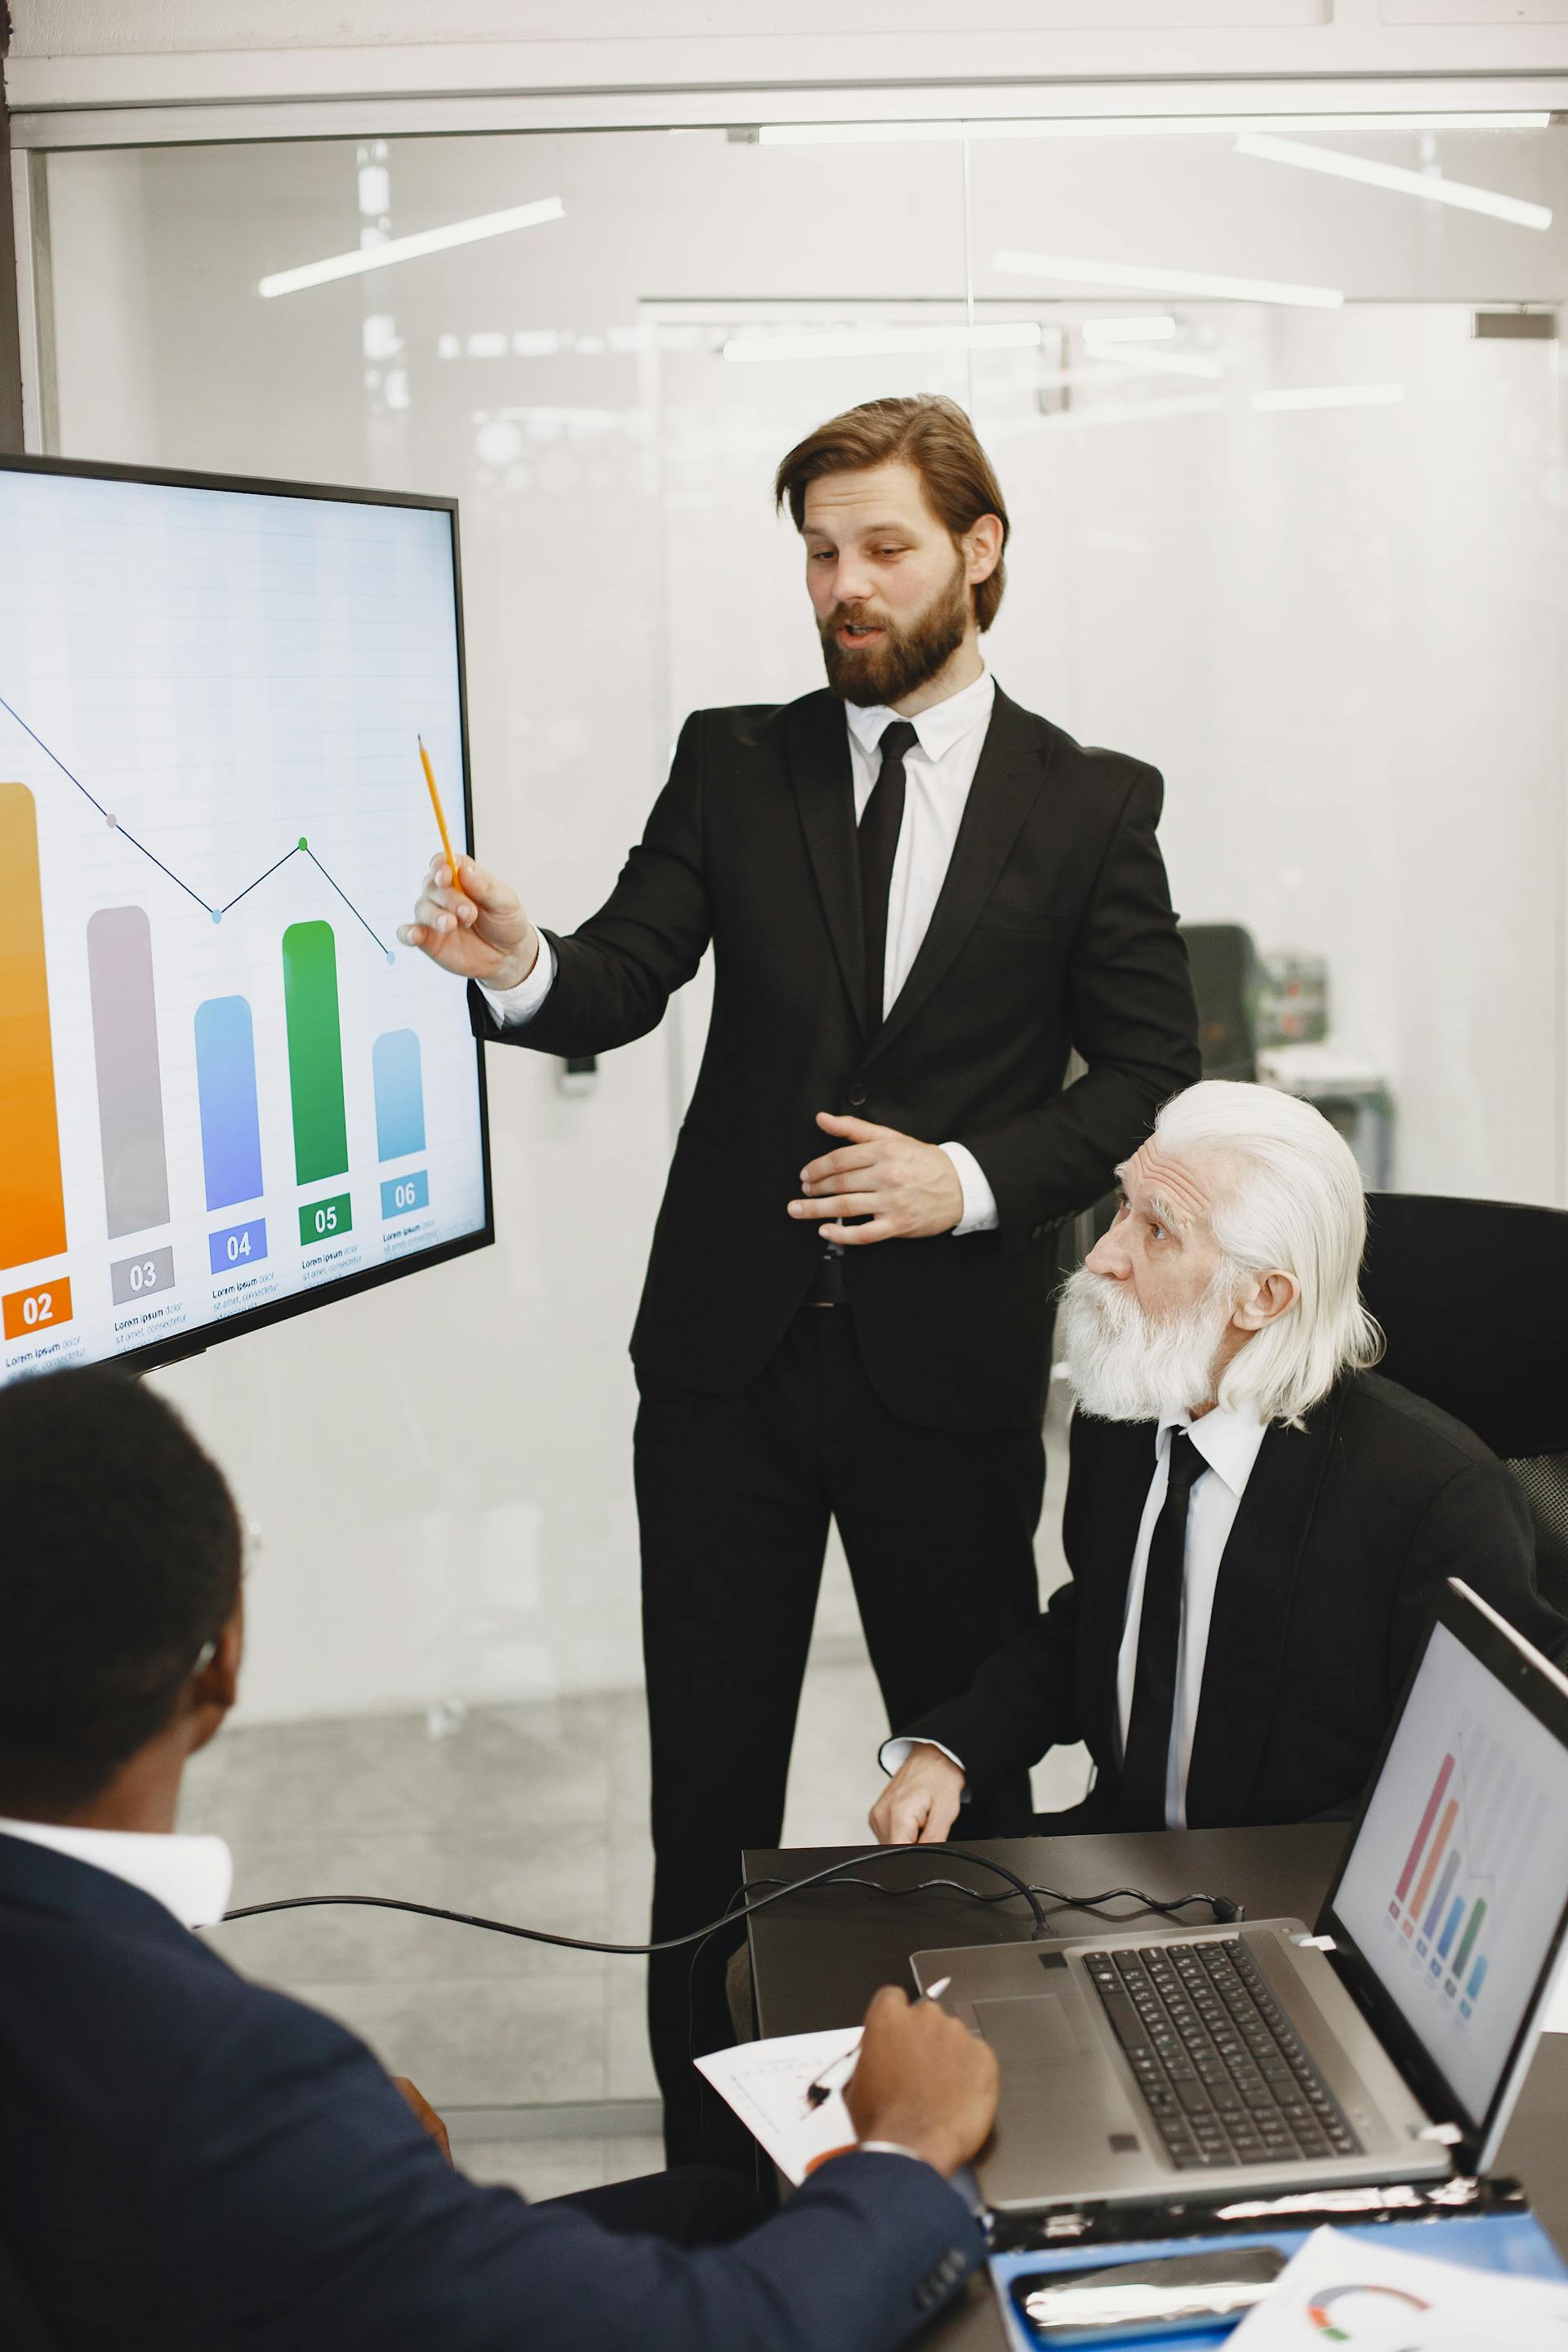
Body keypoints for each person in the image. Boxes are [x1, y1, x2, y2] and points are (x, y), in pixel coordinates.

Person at [399, 394, 1200, 2161]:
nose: (844, 585)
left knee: (968, 1797)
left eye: (884, 548)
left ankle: (998, 2161)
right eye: (821, 552)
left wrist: (972, 1180)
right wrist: (519, 961)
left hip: (950, 1379)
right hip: (722, 1375)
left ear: (979, 551)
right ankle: (711, 2193)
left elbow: (1151, 1073)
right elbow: (617, 973)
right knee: (708, 1818)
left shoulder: (1089, 803)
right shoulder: (732, 761)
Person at [0, 1365, 998, 2352]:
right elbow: (731, 2332)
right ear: (220, 1661)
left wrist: (335, 2158)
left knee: (706, 2205)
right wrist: (907, 2143)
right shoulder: (232, 2085)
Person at [871, 1080, 1563, 1846]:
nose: (1104, 1252)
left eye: (1158, 1231)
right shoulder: (1129, 1409)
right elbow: (1102, 1618)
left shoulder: (1436, 1497)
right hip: (1122, 1860)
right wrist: (952, 1750)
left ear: (1262, 1297)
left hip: (1293, 1892)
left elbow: (1475, 1768)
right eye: (1124, 1206)